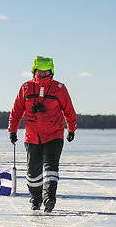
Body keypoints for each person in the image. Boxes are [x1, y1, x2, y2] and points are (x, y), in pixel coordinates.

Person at [8, 56, 76, 212]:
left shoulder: (59, 88)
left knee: (51, 169)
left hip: (54, 136)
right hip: (32, 137)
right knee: (33, 172)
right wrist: (12, 130)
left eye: (46, 71)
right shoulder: (25, 87)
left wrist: (71, 129)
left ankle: (49, 198)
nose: (43, 73)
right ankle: (35, 198)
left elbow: (69, 110)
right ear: (34, 70)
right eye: (40, 70)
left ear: (51, 71)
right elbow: (16, 111)